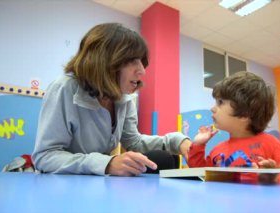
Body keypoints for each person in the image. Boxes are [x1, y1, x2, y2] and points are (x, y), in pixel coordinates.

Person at [32, 23, 191, 176]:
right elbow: (45, 156)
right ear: (104, 60)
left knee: (162, 160)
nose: (142, 71)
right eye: (132, 61)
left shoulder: (124, 98)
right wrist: (106, 164)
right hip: (62, 187)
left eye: (142, 62)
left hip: (98, 186)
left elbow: (133, 142)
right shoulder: (65, 88)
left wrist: (177, 141)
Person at [188, 71, 280, 184]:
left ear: (244, 114)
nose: (212, 109)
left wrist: (271, 179)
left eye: (220, 102)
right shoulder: (217, 150)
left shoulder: (270, 144)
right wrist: (198, 145)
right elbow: (200, 175)